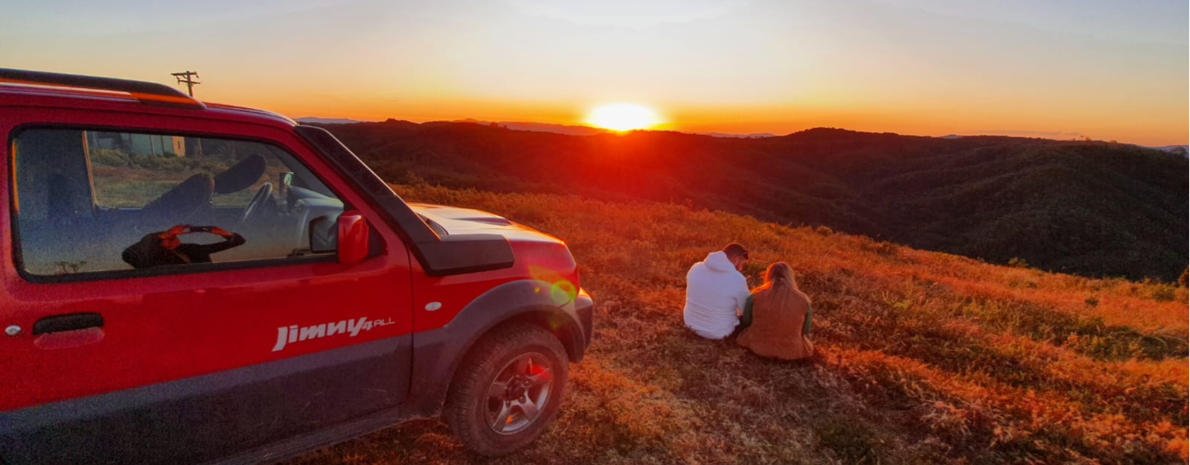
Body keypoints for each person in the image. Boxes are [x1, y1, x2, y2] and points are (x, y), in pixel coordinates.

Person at [737, 262, 815, 360]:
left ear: (768, 275)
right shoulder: (804, 299)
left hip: (757, 345)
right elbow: (805, 330)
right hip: (793, 350)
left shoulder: (756, 295)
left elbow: (746, 322)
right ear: (791, 277)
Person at [683, 242, 750, 340]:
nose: (740, 269)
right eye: (742, 264)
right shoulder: (737, 279)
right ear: (735, 260)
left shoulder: (695, 267)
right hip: (719, 332)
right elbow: (745, 311)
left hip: (690, 323)